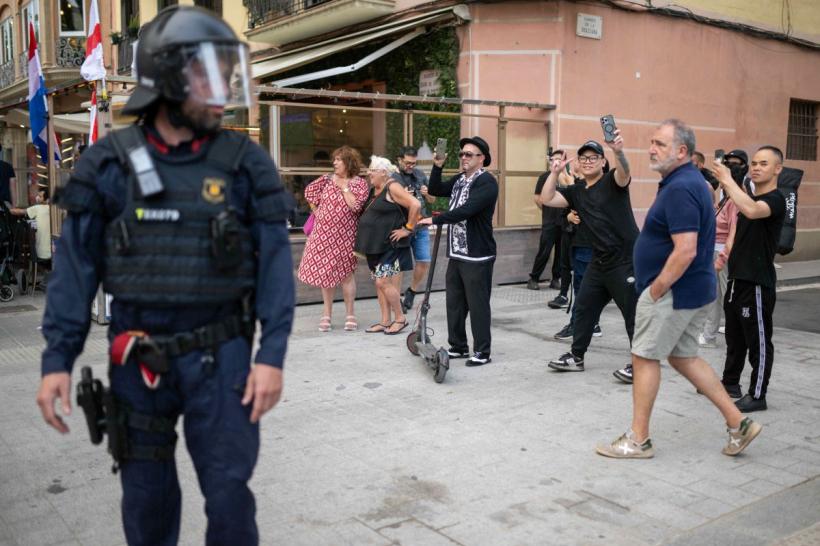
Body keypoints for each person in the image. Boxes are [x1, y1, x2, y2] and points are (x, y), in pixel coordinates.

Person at [35, 7, 295, 544]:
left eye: (227, 72)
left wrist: (271, 356)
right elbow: (75, 269)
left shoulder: (247, 163)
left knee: (228, 500)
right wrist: (56, 358)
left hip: (222, 361)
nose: (222, 87)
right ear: (166, 78)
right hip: (137, 359)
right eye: (207, 73)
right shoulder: (106, 164)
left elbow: (274, 266)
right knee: (147, 504)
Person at [596, 119, 761, 459]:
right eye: (652, 142)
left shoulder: (680, 188)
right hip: (691, 290)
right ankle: (738, 423)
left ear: (682, 151)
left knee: (643, 357)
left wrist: (657, 288)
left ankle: (638, 440)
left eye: (659, 143)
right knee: (684, 357)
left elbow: (684, 249)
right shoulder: (687, 182)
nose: (651, 148)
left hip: (673, 293)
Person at [540, 136, 638, 382]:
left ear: (603, 162)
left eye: (593, 157)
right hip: (599, 260)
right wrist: (554, 172)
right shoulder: (576, 191)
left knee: (634, 314)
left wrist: (619, 151)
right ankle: (576, 356)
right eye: (583, 158)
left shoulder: (612, 181)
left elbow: (625, 172)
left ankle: (641, 364)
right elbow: (547, 199)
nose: (587, 161)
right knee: (583, 308)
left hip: (626, 259)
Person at [712, 146, 786, 413]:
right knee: (734, 338)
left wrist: (728, 181)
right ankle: (730, 383)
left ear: (777, 169)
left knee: (758, 341)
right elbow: (735, 232)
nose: (756, 167)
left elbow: (754, 211)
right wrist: (722, 258)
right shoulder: (746, 199)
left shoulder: (777, 199)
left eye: (763, 163)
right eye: (754, 163)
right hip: (737, 277)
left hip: (756, 281)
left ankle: (757, 395)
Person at [417, 136, 498, 366]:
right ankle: (458, 346)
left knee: (478, 305)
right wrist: (437, 165)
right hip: (457, 253)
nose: (463, 157)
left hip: (477, 255)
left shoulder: (487, 183)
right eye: (462, 154)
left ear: (481, 158)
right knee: (454, 303)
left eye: (469, 154)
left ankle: (482, 351)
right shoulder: (461, 180)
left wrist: (434, 220)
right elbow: (434, 189)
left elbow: (467, 210)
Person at [297, 145, 370, 332]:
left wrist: (344, 188)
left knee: (346, 275)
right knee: (324, 275)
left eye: (339, 159)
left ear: (349, 162)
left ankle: (350, 315)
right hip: (323, 235)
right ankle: (326, 315)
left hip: (346, 236)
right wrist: (317, 212)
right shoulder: (327, 179)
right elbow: (309, 193)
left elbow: (356, 207)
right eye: (334, 159)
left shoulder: (359, 183)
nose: (334, 163)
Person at [355, 156, 421, 334]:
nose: (369, 173)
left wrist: (407, 229)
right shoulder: (375, 189)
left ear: (383, 173)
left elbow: (415, 204)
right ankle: (385, 321)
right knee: (379, 284)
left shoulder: (392, 186)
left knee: (383, 281)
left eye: (372, 170)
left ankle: (400, 318)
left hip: (390, 245)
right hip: (375, 246)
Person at [698, 159, 742, 349]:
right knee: (714, 297)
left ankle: (739, 337)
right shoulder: (726, 199)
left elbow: (734, 232)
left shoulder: (735, 201)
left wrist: (722, 258)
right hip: (714, 253)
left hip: (721, 255)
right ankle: (709, 336)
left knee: (728, 299)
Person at [391, 146, 435, 312]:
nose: (411, 166)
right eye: (408, 163)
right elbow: (387, 201)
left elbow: (432, 200)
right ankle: (397, 302)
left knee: (424, 261)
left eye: (413, 163)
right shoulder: (393, 177)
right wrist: (402, 196)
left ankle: (412, 291)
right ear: (399, 160)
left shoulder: (420, 175)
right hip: (401, 226)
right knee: (400, 266)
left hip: (421, 225)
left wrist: (427, 194)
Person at [528, 149, 564, 291]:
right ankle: (534, 278)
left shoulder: (567, 178)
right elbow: (537, 198)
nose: (557, 161)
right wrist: (548, 210)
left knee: (561, 253)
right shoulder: (545, 177)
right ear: (550, 161)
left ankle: (556, 279)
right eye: (554, 158)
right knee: (544, 251)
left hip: (565, 223)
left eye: (560, 159)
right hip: (549, 222)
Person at [10, 186, 52, 262]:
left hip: (41, 254)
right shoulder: (53, 209)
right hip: (54, 253)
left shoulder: (38, 208)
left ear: (47, 199)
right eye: (38, 196)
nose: (37, 198)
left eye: (40, 196)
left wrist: (8, 209)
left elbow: (19, 212)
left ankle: (23, 259)